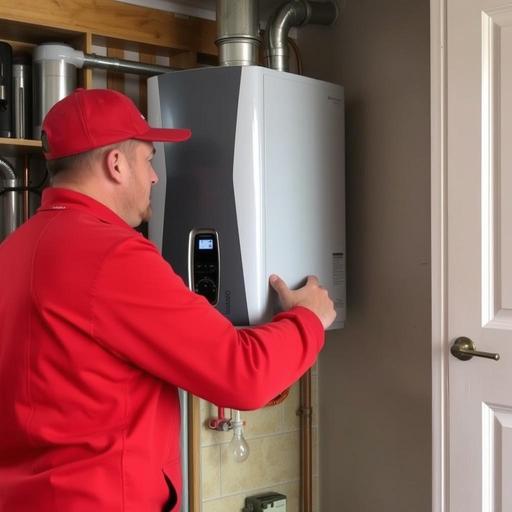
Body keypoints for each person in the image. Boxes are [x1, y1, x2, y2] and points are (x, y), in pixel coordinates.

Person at [0, 88, 336, 511]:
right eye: (149, 159)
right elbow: (244, 373)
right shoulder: (112, 256)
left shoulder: (12, 251)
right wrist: (309, 317)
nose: (155, 177)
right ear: (116, 164)